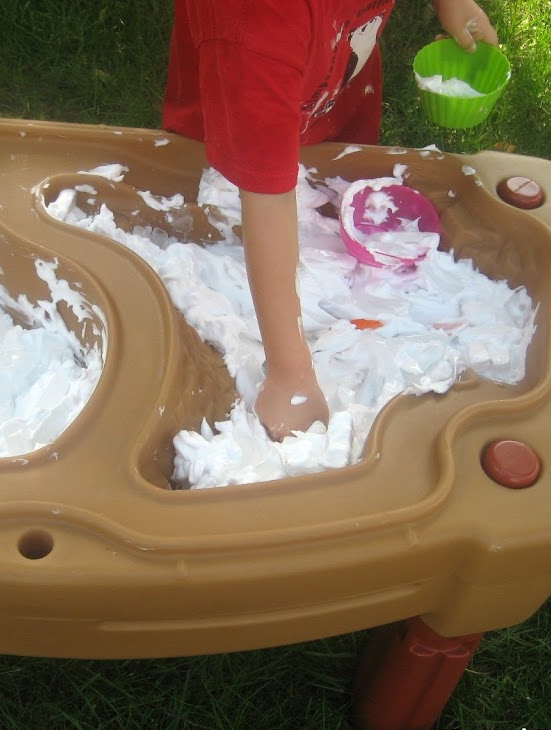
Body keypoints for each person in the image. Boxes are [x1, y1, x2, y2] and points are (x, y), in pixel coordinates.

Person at [163, 0, 498, 440]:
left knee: (315, 168)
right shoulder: (255, 25)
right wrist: (291, 375)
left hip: (327, 86)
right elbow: (265, 194)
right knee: (248, 181)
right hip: (239, 123)